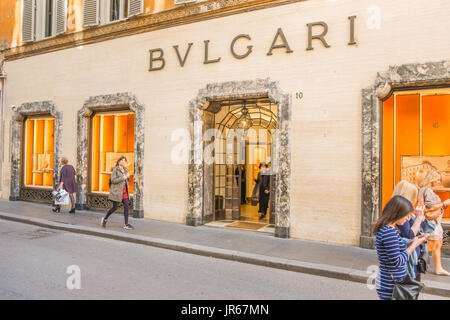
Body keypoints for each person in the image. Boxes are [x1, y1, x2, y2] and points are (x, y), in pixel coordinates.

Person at [373, 195, 427, 300]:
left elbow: (394, 249)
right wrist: (413, 246)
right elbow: (397, 260)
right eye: (406, 215)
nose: (407, 219)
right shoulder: (389, 231)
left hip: (391, 282)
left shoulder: (388, 229)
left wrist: (412, 242)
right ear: (397, 214)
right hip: (391, 285)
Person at [392, 180, 426, 280]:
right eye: (414, 196)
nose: (415, 199)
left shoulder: (401, 210)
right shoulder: (400, 211)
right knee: (409, 290)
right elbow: (409, 235)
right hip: (407, 257)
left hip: (410, 256)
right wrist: (419, 218)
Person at [419, 170, 450, 276]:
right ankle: (412, 258)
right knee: (432, 245)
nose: (438, 181)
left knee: (438, 244)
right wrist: (444, 204)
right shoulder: (427, 190)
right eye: (437, 179)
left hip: (434, 221)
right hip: (431, 222)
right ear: (431, 179)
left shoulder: (425, 189)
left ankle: (438, 268)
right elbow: (430, 207)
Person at [101, 156, 134, 230]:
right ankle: (105, 219)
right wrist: (124, 177)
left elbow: (126, 181)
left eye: (124, 161)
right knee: (115, 207)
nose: (123, 161)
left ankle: (126, 224)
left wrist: (128, 177)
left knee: (126, 206)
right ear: (119, 161)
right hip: (117, 192)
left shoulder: (125, 170)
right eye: (122, 160)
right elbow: (113, 180)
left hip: (125, 192)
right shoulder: (115, 170)